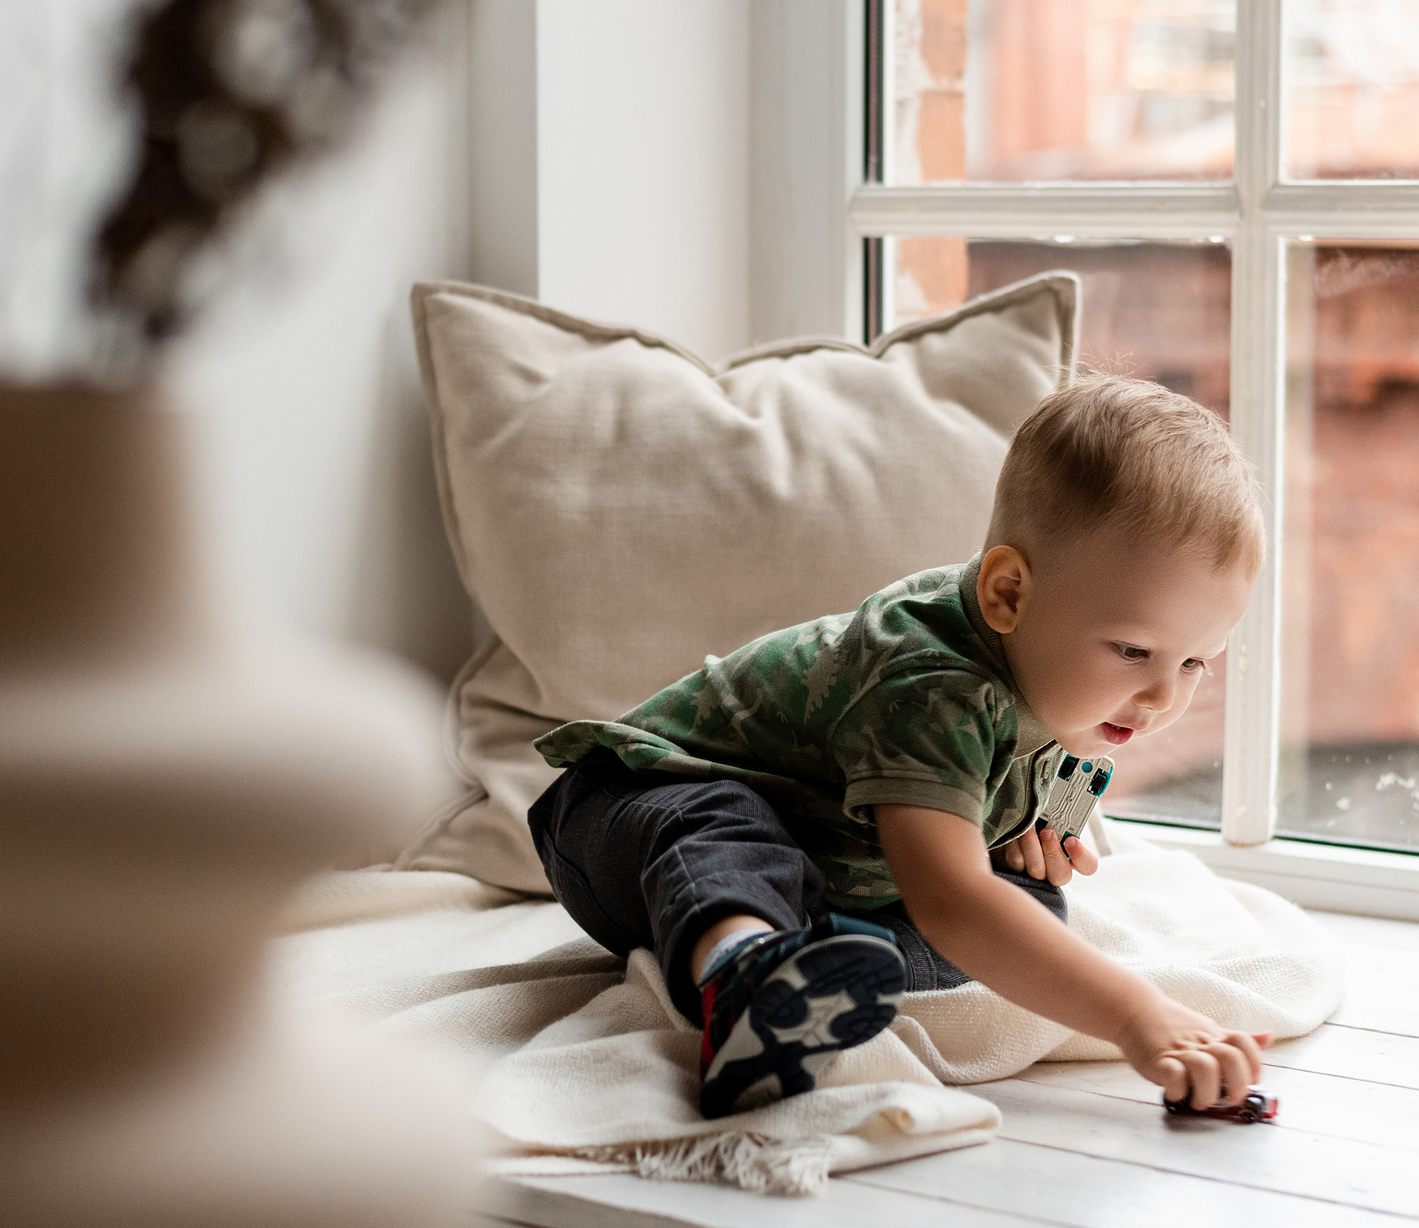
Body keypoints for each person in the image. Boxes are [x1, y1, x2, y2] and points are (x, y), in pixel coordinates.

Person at [529, 373, 1273, 1119]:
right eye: (1133, 649)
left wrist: (1043, 831)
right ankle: (744, 976)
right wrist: (1137, 1013)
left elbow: (1075, 772)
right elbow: (948, 899)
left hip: (818, 862)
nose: (1163, 698)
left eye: (1194, 662)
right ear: (1008, 594)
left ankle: (830, 966)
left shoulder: (1073, 688)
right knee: (729, 823)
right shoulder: (931, 681)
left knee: (1031, 908)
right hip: (625, 814)